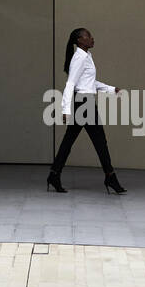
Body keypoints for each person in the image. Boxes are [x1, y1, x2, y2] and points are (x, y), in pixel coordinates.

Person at [47, 28, 127, 194]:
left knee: (69, 141)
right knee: (100, 142)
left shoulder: (86, 56)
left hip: (85, 102)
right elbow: (71, 83)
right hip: (84, 103)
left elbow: (90, 82)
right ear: (79, 40)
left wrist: (111, 89)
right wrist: (65, 109)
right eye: (88, 36)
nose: (92, 38)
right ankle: (110, 176)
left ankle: (54, 174)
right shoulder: (80, 57)